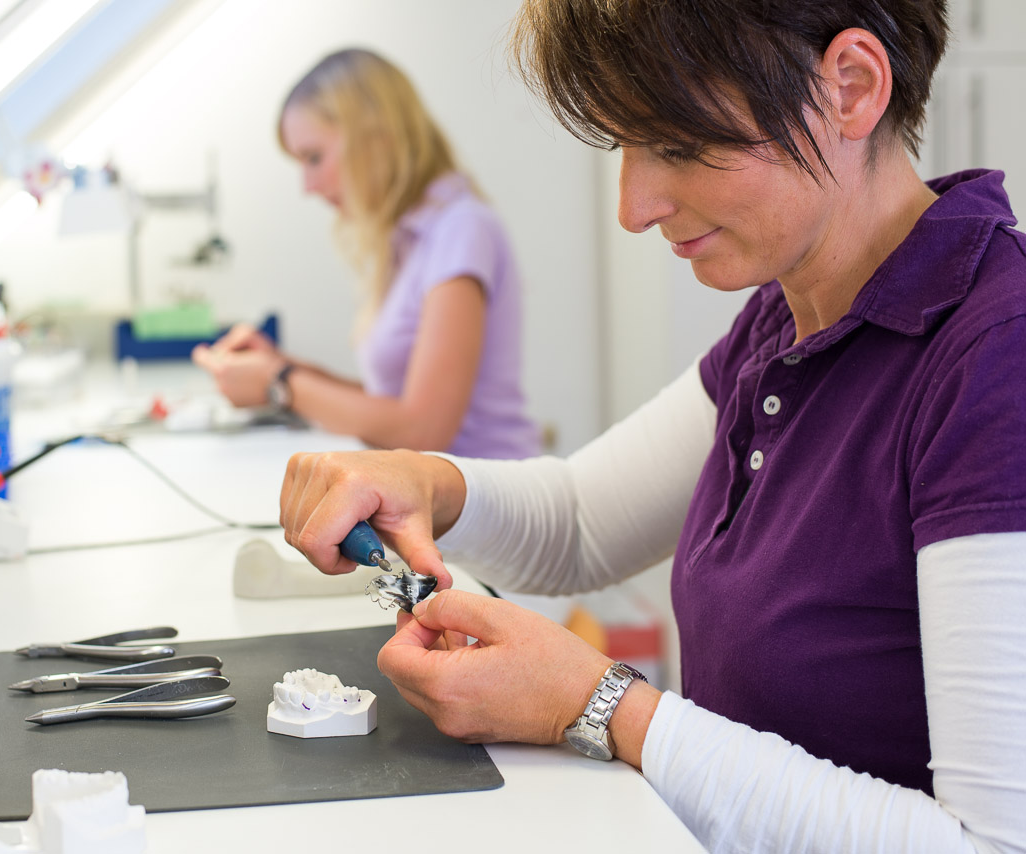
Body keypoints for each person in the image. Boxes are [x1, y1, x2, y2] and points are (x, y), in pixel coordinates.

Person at [277, 1, 1026, 851]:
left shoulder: (996, 358)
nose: (633, 207)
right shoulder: (784, 318)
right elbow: (582, 521)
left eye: (676, 144)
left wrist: (600, 706)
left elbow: (990, 844)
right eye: (623, 146)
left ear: (848, 87)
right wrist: (428, 484)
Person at [191, 48, 540, 460]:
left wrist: (279, 382)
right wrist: (281, 366)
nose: (308, 186)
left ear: (377, 137)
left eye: (314, 157)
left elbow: (423, 430)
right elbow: (390, 405)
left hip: (487, 494)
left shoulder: (460, 229)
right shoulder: (413, 238)